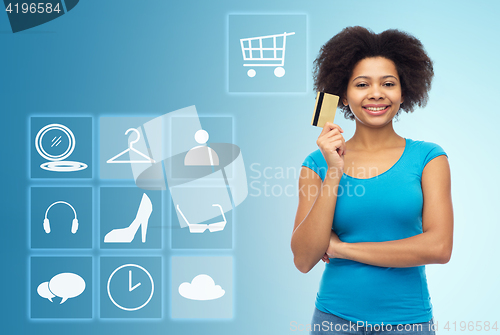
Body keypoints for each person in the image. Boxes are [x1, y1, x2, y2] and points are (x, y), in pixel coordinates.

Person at [291, 26, 453, 335]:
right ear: (343, 93)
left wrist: (342, 249)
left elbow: (439, 247)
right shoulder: (317, 165)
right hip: (333, 320)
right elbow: (303, 257)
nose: (376, 93)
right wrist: (334, 169)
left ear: (404, 91)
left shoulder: (429, 158)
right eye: (362, 84)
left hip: (409, 322)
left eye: (388, 83)